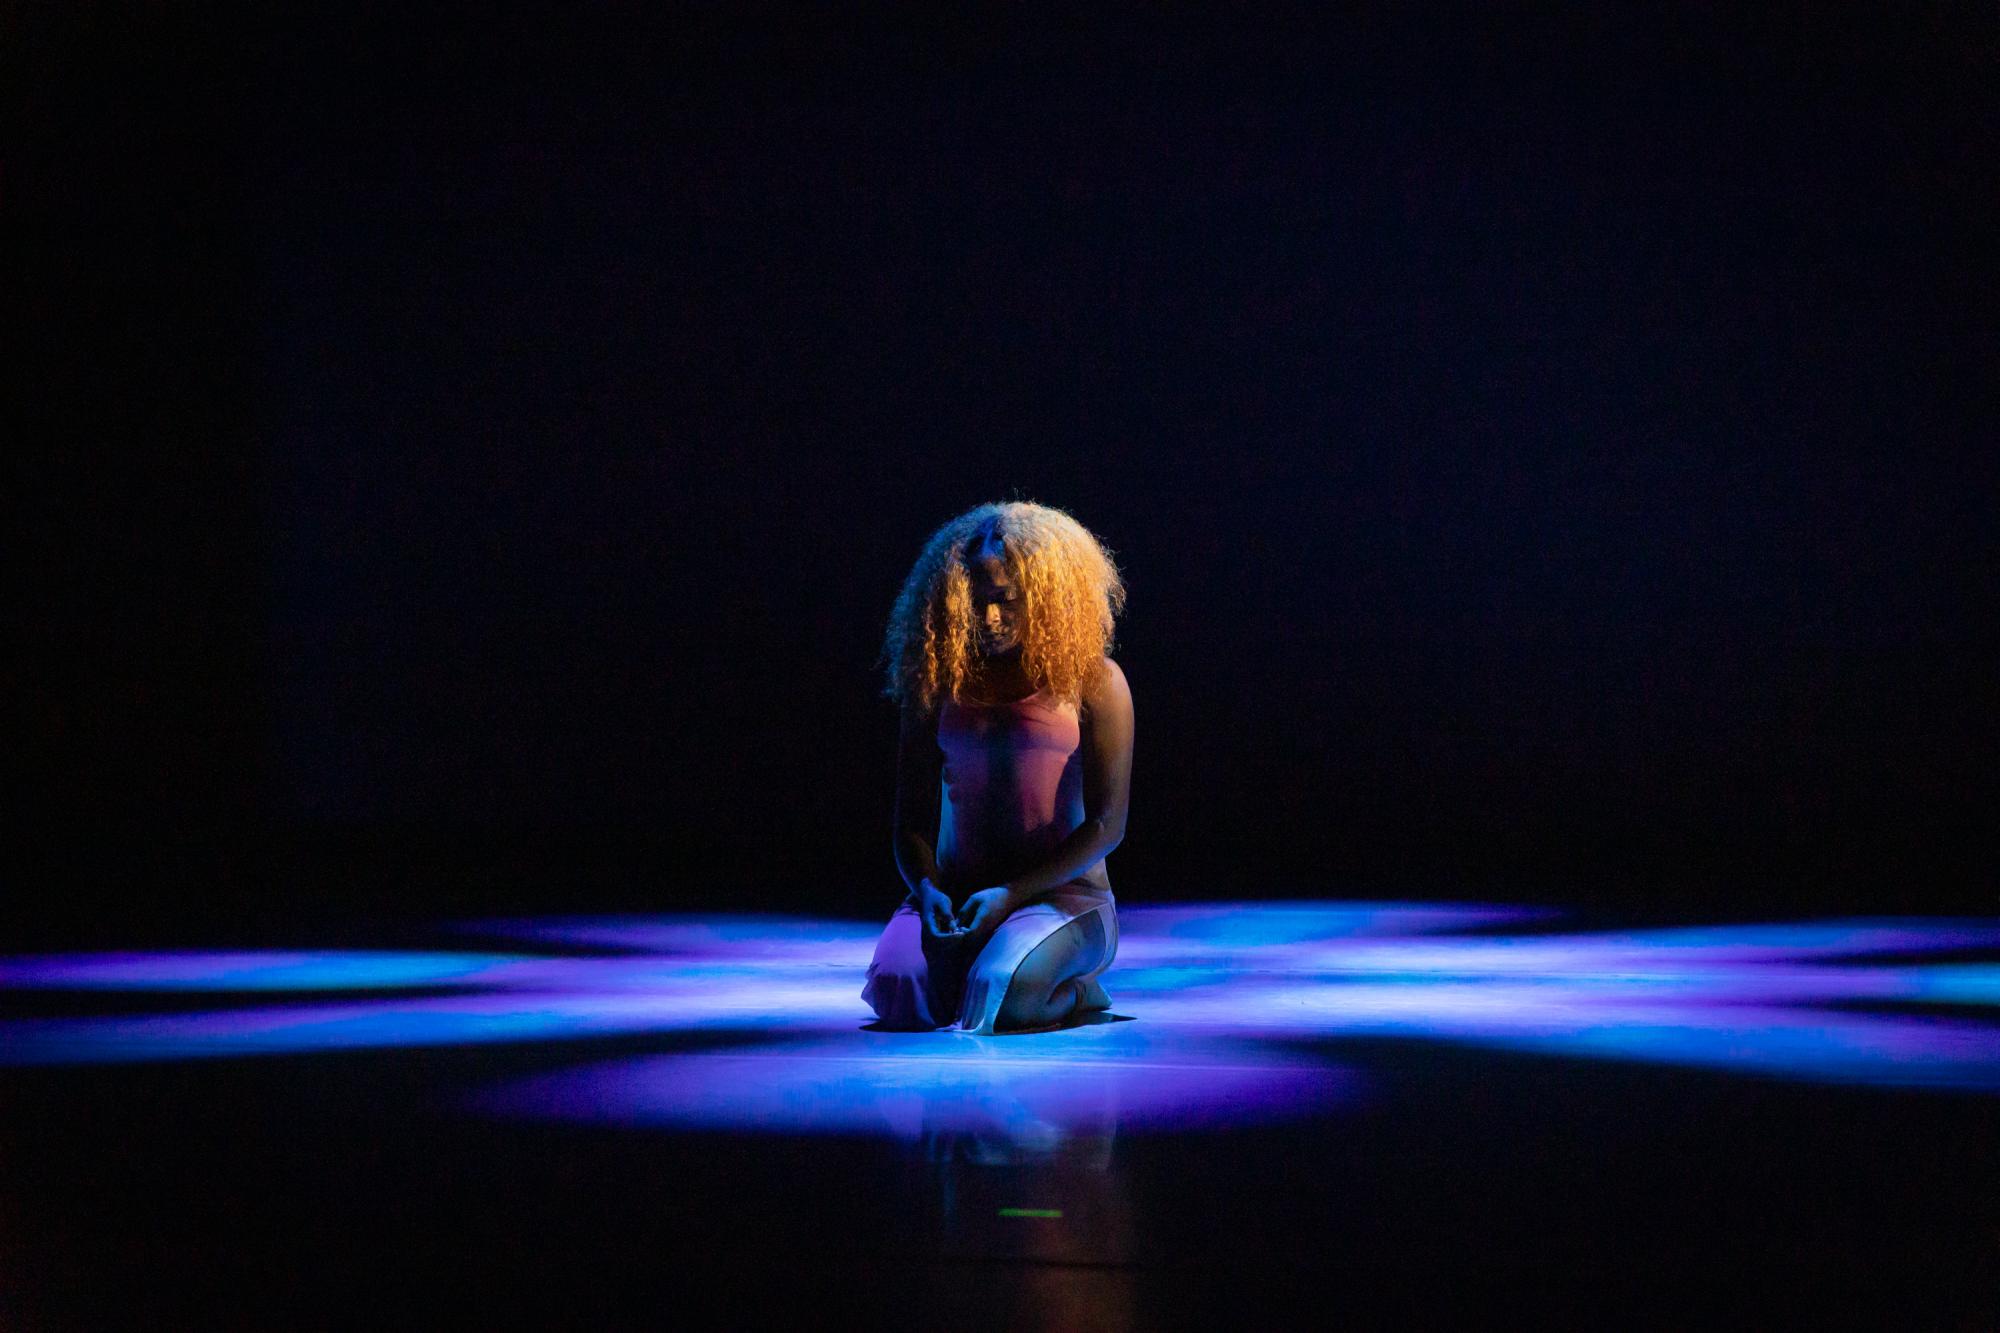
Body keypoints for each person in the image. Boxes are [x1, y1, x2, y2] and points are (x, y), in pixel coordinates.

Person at [862, 500, 1134, 1034]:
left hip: (1066, 899)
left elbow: (1108, 825)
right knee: (899, 990)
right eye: (977, 601)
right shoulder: (937, 681)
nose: (990, 618)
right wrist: (929, 890)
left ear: (1046, 598)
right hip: (961, 900)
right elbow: (911, 821)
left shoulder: (1095, 682)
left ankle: (1080, 991)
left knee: (1000, 994)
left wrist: (1012, 894)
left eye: (1007, 601)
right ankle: (991, 959)